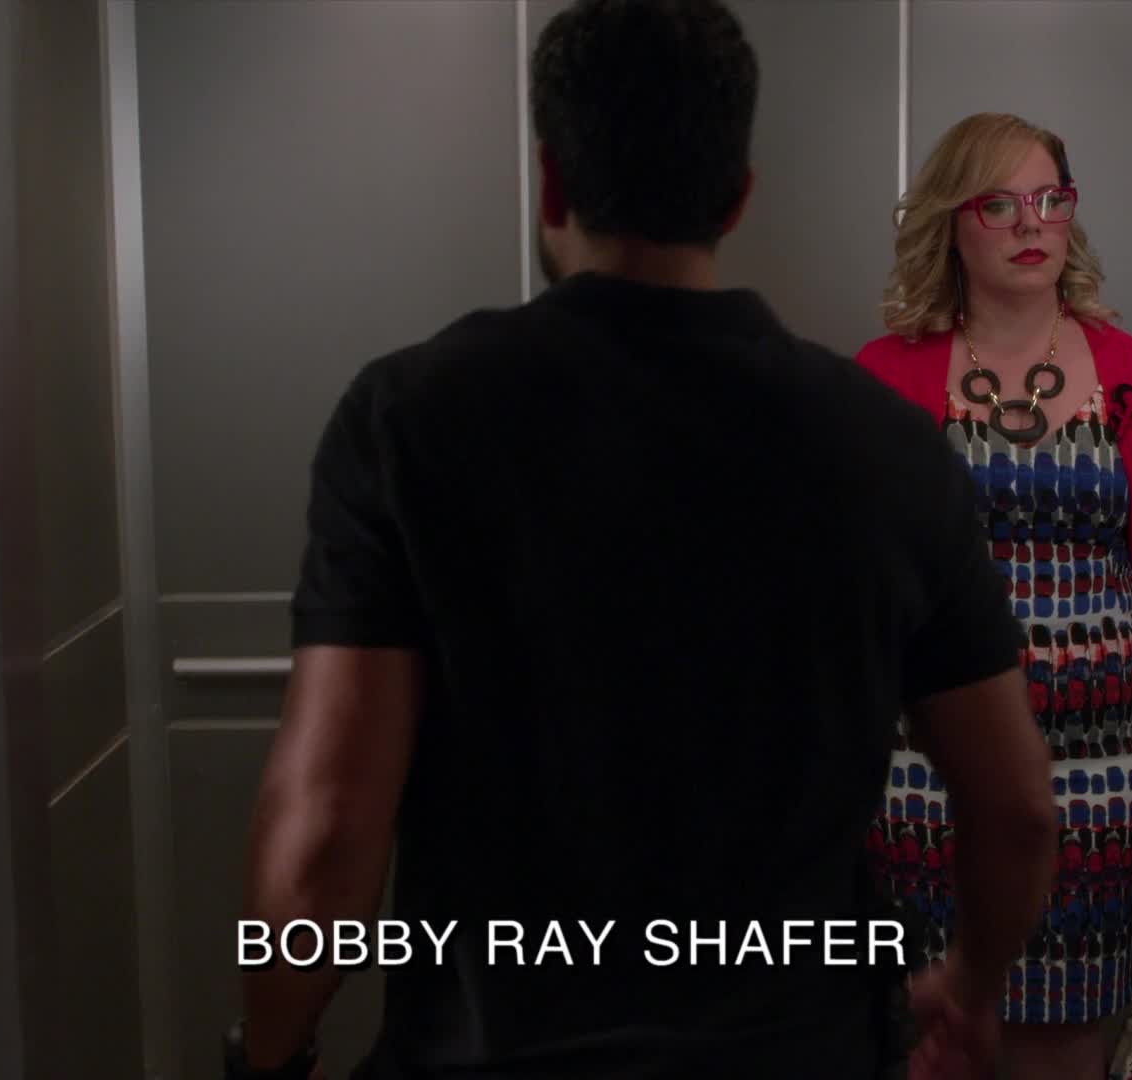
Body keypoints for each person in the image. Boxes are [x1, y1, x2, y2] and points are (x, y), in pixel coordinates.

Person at [223, 6, 1056, 1080]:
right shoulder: (888, 447)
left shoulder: (407, 422)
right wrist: (972, 983)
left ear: (551, 180)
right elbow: (1016, 809)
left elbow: (326, 833)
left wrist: (269, 1058)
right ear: (737, 194)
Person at [855, 113, 1132, 1079]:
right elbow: (848, 588)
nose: (1032, 222)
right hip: (923, 775)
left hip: (1092, 778)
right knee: (931, 1036)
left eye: (1051, 199)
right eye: (1000, 203)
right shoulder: (885, 377)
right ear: (952, 223)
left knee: (1063, 1044)